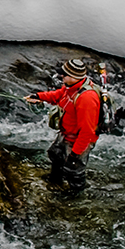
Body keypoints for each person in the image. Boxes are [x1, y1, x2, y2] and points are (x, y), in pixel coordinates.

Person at [23, 58, 100, 192]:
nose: (61, 76)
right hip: (66, 134)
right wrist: (38, 97)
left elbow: (88, 132)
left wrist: (75, 154)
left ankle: (75, 198)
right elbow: (58, 95)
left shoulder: (87, 98)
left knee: (73, 170)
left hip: (78, 141)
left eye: (64, 74)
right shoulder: (71, 87)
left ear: (74, 77)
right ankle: (55, 182)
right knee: (55, 154)